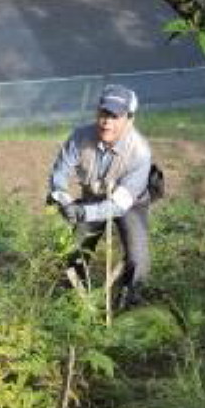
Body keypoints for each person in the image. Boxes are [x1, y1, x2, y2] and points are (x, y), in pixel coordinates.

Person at [47, 84, 153, 310]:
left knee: (138, 260)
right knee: (74, 250)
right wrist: (63, 200)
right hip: (93, 197)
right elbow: (59, 173)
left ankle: (127, 304)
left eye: (115, 116)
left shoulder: (140, 152)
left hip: (130, 205)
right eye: (104, 113)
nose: (107, 122)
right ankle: (75, 300)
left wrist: (83, 212)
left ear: (129, 119)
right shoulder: (80, 137)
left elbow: (120, 204)